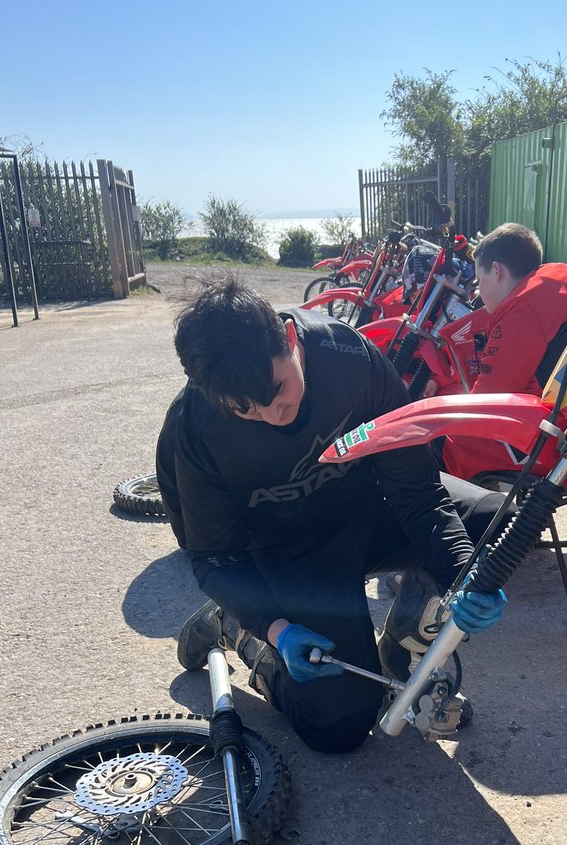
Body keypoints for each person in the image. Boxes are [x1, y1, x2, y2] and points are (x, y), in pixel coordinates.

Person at [157, 279, 507, 755]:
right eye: (248, 411)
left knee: (492, 525)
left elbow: (418, 491)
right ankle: (238, 628)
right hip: (286, 554)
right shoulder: (194, 428)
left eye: (279, 390)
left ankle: (402, 647)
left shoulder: (351, 359)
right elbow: (214, 558)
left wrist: (463, 575)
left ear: (291, 339)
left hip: (368, 506)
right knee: (340, 727)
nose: (273, 415)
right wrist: (275, 628)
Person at [440, 222, 567, 485]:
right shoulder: (557, 284)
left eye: (479, 279)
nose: (478, 291)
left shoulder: (521, 311)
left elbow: (488, 401)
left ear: (496, 270)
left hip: (544, 440)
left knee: (441, 443)